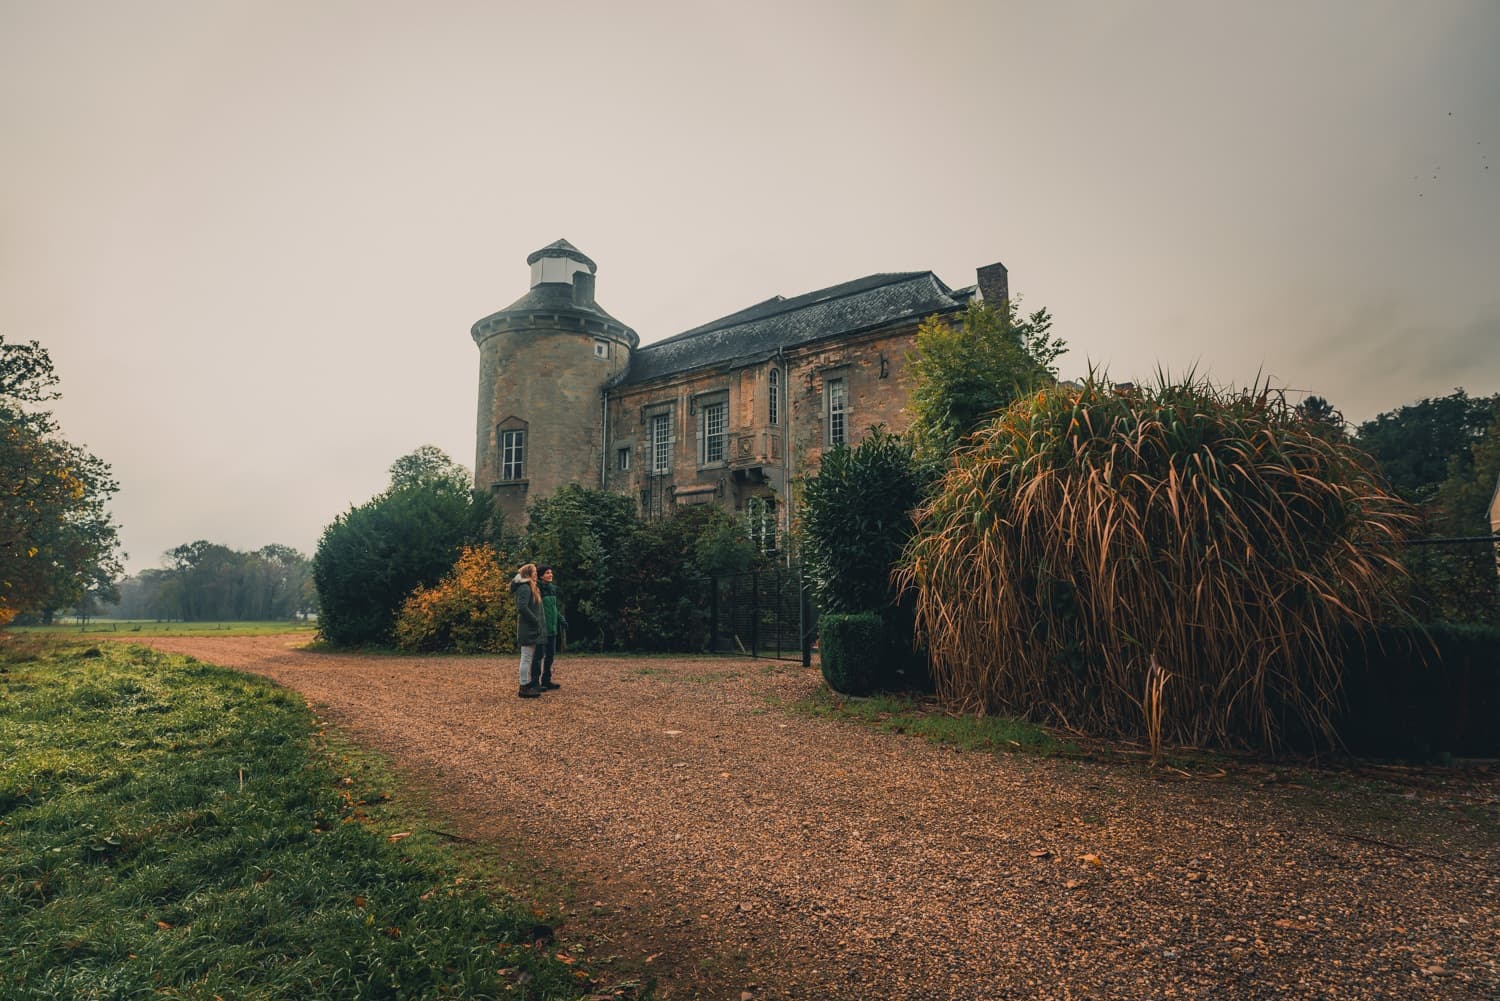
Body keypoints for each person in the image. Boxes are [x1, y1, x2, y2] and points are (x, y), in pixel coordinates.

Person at [511, 563, 545, 698]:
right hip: (527, 628)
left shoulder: (531, 586)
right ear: (528, 573)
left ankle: (526, 685)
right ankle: (523, 688)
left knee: (528, 658)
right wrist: (535, 620)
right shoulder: (524, 587)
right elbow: (522, 607)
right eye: (534, 571)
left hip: (531, 627)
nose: (536, 573)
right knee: (526, 658)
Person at [537, 565, 569, 690]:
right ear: (541, 576)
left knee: (550, 656)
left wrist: (561, 619)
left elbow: (554, 608)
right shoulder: (537, 589)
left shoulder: (552, 589)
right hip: (542, 628)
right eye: (547, 573)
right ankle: (535, 683)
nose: (550, 574)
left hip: (552, 628)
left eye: (551, 572)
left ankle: (546, 680)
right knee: (539, 656)